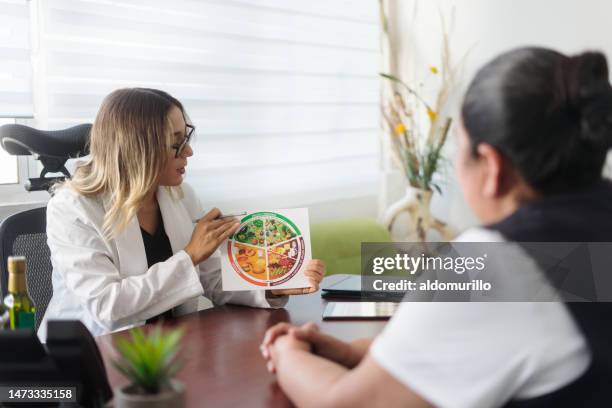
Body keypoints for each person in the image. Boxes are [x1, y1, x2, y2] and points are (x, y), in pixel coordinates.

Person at [260, 47, 612, 407]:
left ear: (491, 165)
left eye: (459, 145)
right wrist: (353, 354)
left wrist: (286, 352)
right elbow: (515, 340)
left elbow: (345, 404)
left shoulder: (494, 260)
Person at [38, 88, 325, 340]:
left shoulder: (181, 195)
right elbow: (107, 307)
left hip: (168, 345)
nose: (188, 151)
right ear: (141, 148)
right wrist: (190, 256)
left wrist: (274, 286)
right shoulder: (72, 209)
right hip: (91, 356)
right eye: (176, 142)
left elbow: (212, 279)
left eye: (185, 138)